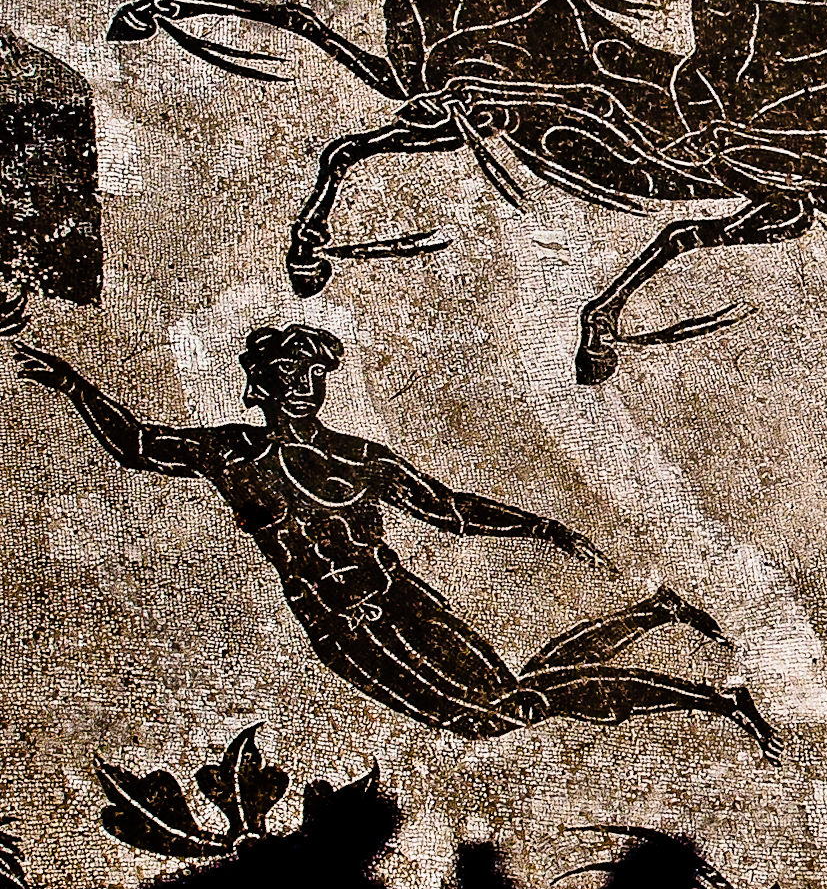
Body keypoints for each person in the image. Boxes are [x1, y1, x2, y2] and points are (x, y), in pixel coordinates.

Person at [14, 324, 778, 757]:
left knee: (506, 701)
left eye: (312, 373)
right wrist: (73, 384)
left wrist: (539, 525)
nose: (302, 384)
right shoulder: (233, 452)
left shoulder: (359, 458)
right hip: (339, 620)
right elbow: (138, 445)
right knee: (499, 710)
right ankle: (682, 656)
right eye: (287, 373)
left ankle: (688, 662)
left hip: (398, 594)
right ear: (260, 385)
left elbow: (447, 508)